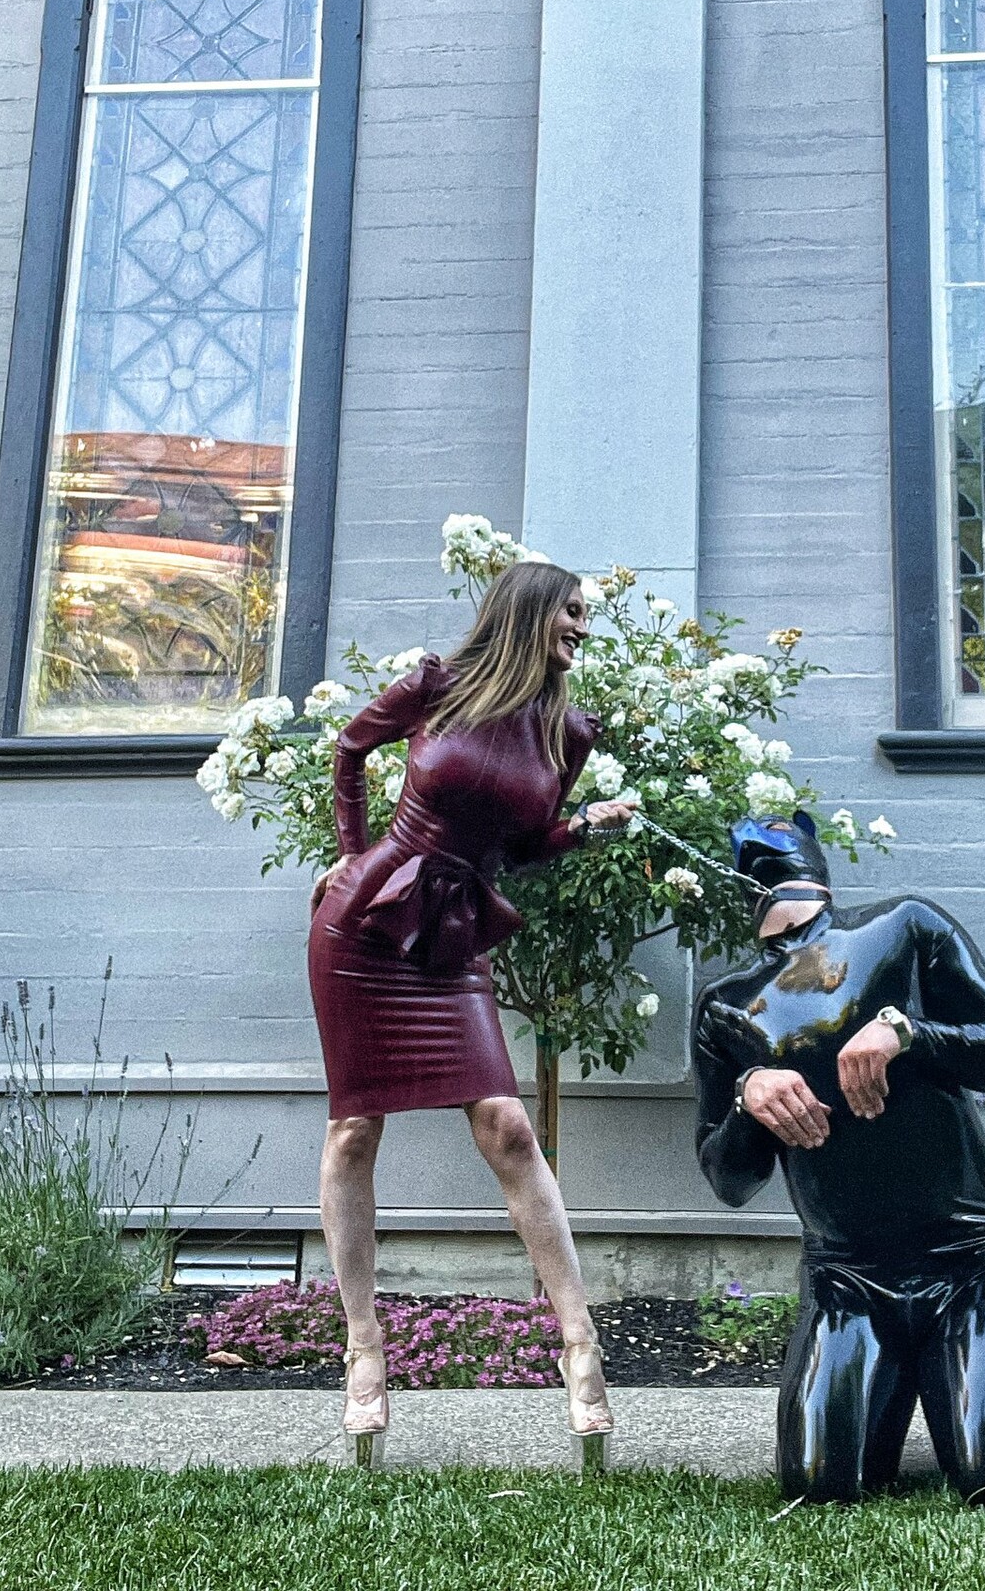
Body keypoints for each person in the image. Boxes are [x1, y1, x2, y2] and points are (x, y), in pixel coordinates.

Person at [308, 560, 637, 1460]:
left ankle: (579, 1341)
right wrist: (351, 853)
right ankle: (365, 1347)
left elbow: (523, 846)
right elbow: (350, 749)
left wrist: (583, 828)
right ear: (530, 611)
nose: (583, 628)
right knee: (354, 1131)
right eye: (573, 612)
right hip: (367, 920)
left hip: (453, 934)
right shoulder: (436, 685)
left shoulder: (566, 731)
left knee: (506, 1127)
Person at [691, 812, 985, 1505]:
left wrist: (908, 1033)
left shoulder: (904, 927)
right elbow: (730, 1179)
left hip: (969, 1258)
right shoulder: (726, 1006)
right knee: (818, 1484)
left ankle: (960, 1381)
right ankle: (897, 1382)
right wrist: (747, 1093)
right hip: (848, 1276)